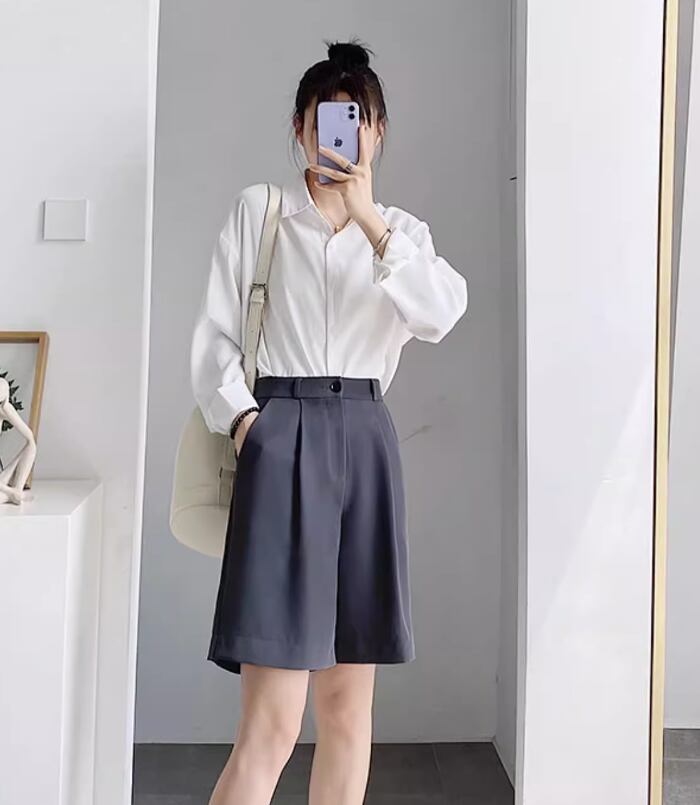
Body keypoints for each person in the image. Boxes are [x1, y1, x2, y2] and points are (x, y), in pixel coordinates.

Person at [190, 38, 468, 805]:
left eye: (359, 121)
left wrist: (370, 220)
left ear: (377, 133)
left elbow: (441, 313)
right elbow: (214, 339)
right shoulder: (261, 212)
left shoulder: (400, 233)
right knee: (271, 724)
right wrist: (249, 425)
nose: (344, 136)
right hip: (281, 438)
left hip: (365, 446)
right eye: (326, 120)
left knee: (347, 712)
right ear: (301, 128)